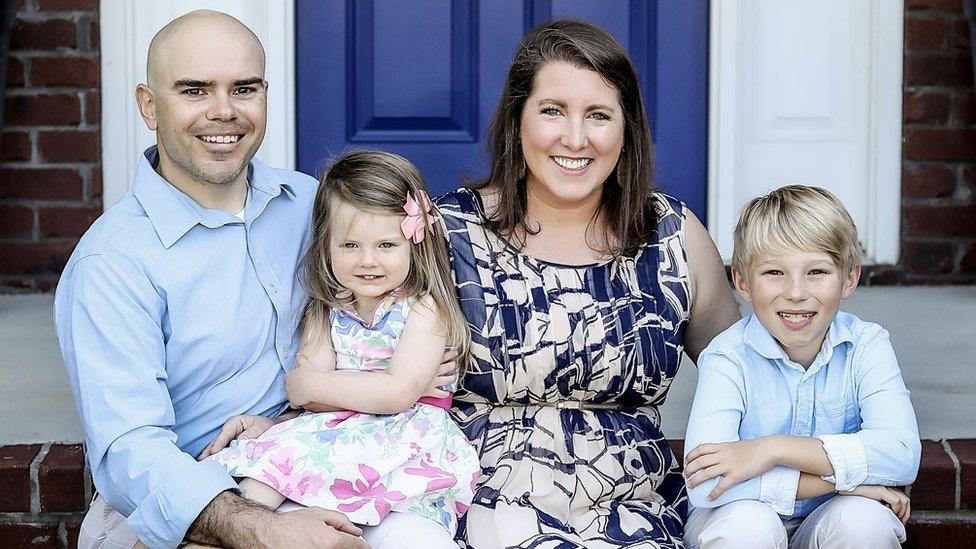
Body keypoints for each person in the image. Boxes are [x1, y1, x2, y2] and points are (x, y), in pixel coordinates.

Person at [54, 11, 452, 549]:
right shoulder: (113, 262)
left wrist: (414, 366)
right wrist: (264, 529)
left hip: (322, 452)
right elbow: (131, 452)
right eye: (195, 90)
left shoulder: (312, 205)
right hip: (197, 496)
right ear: (149, 105)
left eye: (244, 88)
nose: (224, 111)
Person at [435, 20, 741, 547]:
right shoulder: (448, 233)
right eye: (553, 111)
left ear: (626, 131)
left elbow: (749, 377)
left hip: (631, 516)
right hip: (477, 509)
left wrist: (835, 465)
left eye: (598, 115)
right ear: (517, 120)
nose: (575, 139)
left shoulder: (671, 235)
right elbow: (363, 350)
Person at [204, 149, 480, 545]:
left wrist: (319, 386)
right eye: (350, 245)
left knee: (416, 536)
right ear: (327, 246)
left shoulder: (423, 310)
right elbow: (309, 400)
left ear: (413, 245)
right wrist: (352, 389)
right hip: (335, 440)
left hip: (405, 445)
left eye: (386, 245)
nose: (368, 261)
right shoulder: (326, 309)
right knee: (265, 476)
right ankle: (240, 533)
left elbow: (390, 393)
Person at [681, 185, 921, 548]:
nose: (796, 292)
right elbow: (707, 483)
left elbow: (901, 453)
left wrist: (771, 449)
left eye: (817, 271)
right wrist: (843, 480)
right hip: (736, 516)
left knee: (865, 521)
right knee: (749, 527)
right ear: (742, 281)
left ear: (849, 278)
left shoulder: (866, 344)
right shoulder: (727, 356)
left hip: (830, 517)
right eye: (774, 272)